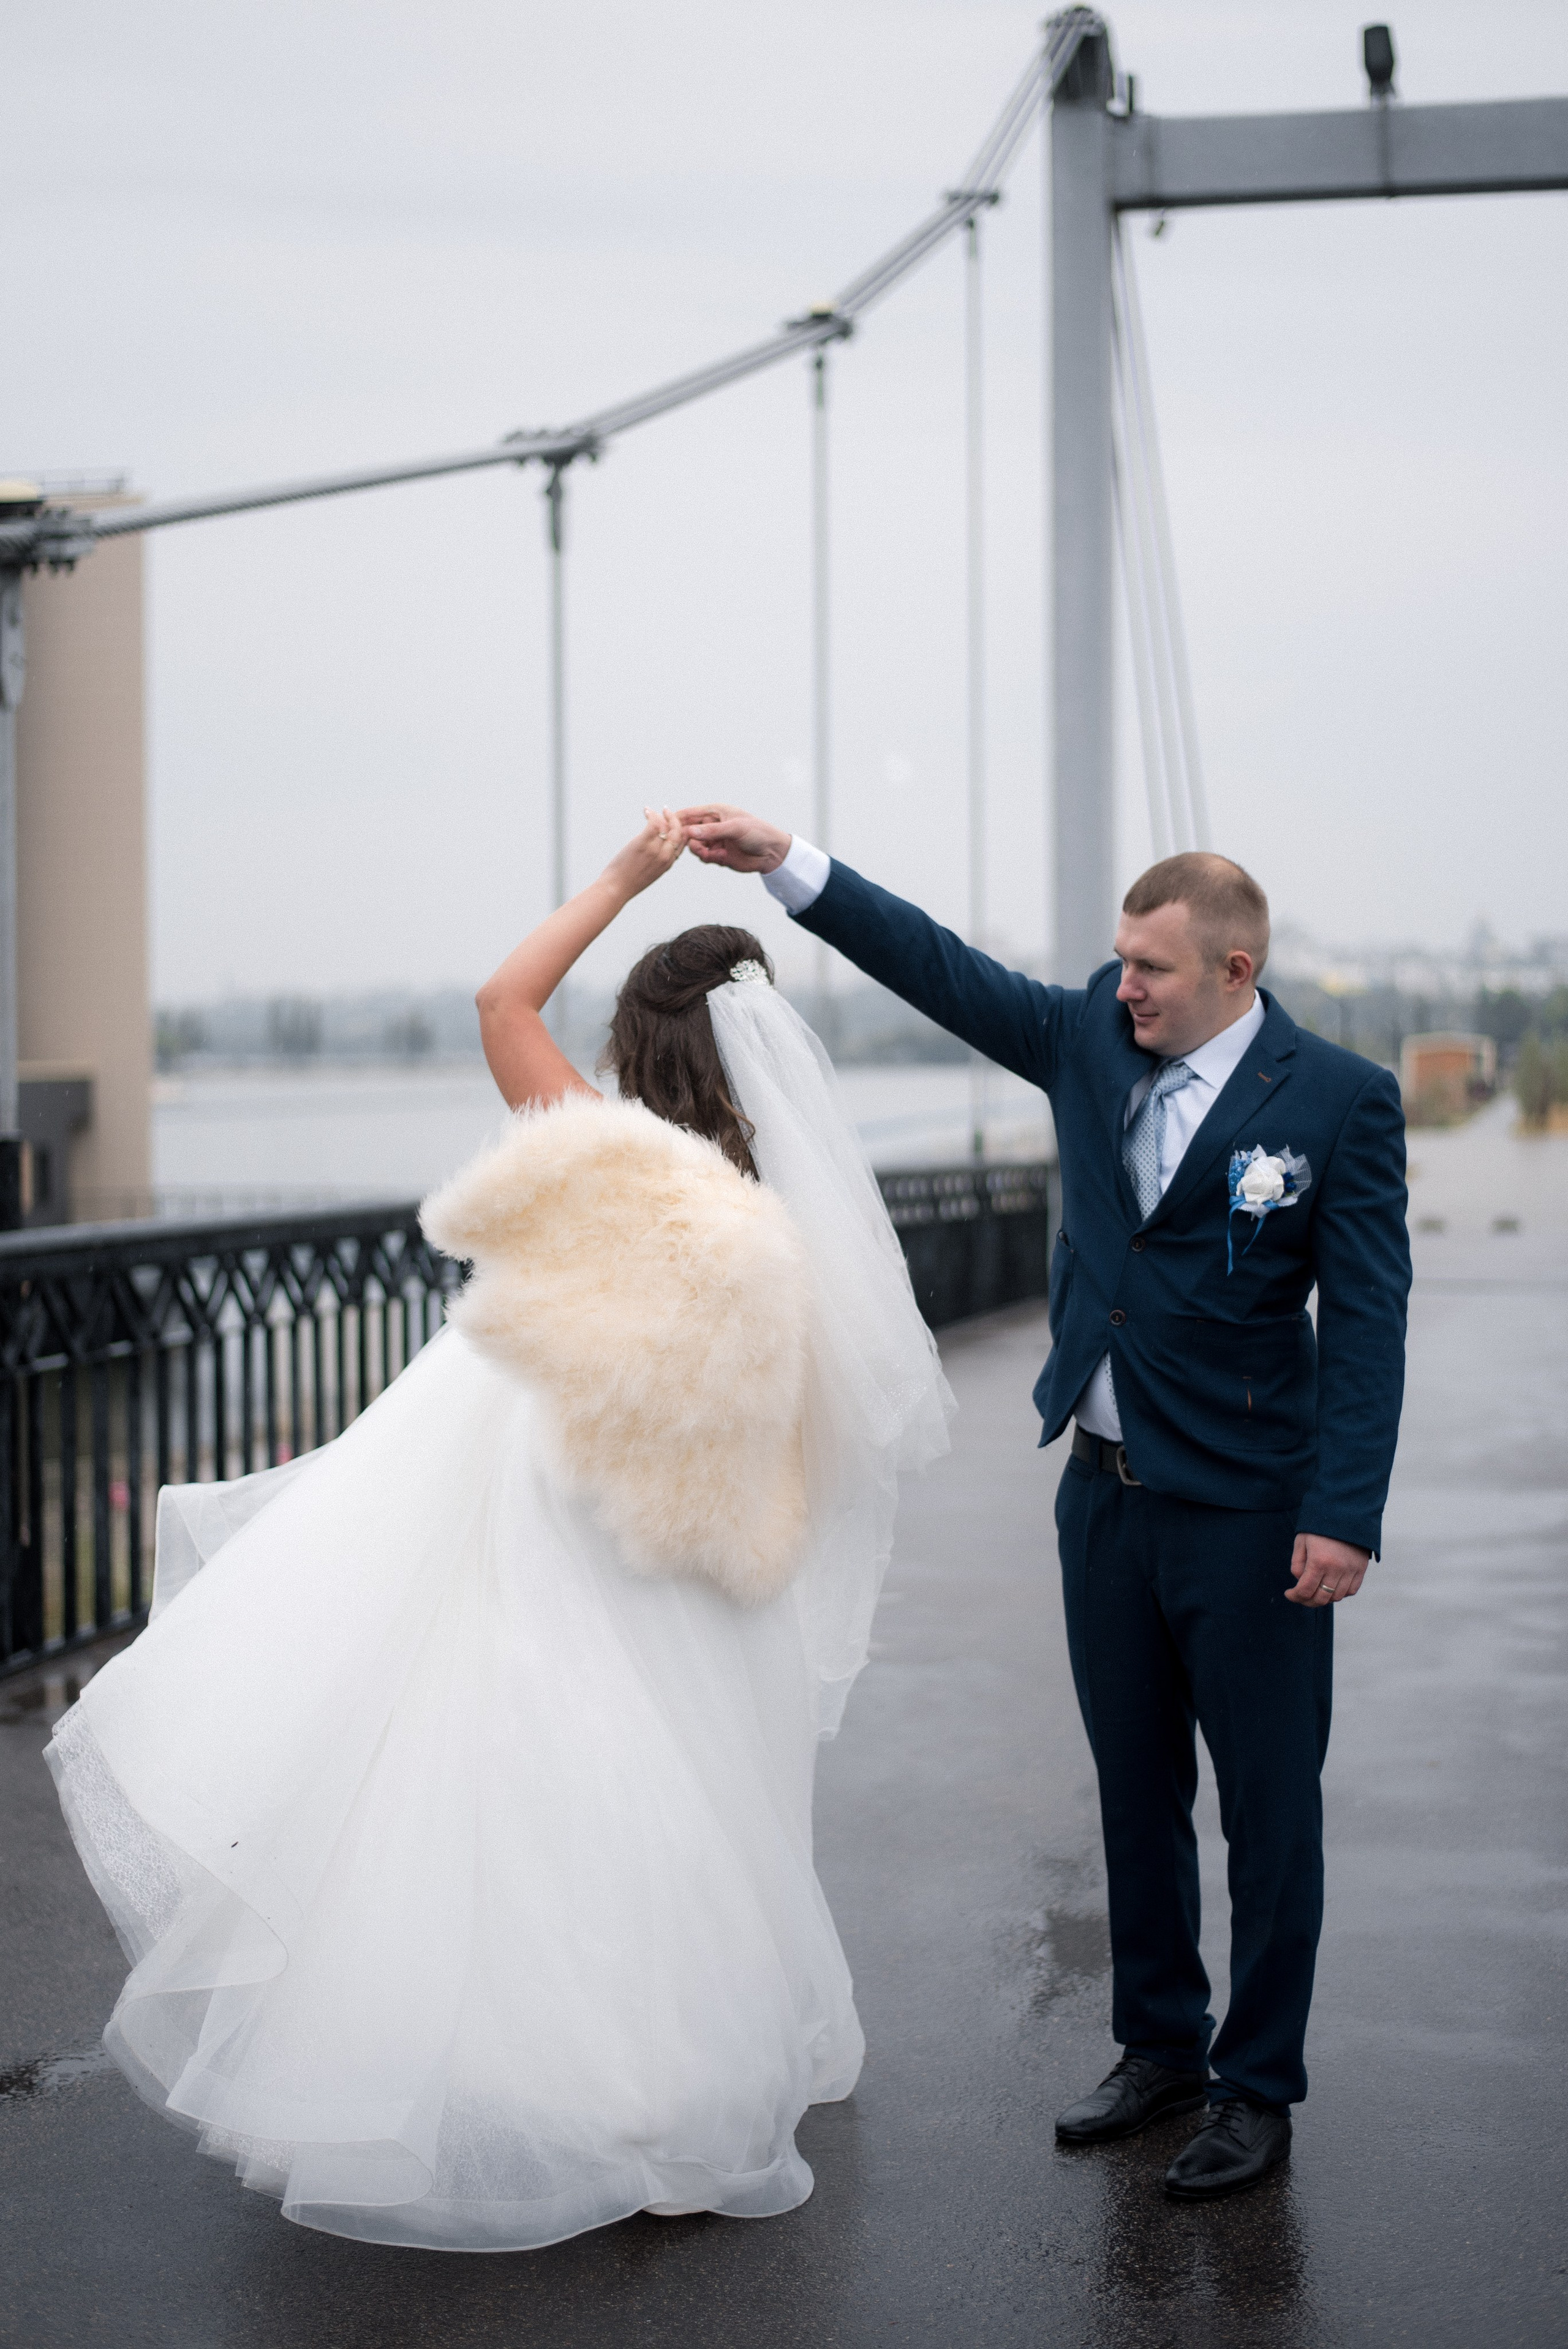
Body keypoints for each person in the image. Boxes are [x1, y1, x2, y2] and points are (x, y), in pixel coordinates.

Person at [46, 809, 951, 2250]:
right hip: (693, 1524)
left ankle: (536, 2076)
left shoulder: (596, 1146)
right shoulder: (780, 1203)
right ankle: (679, 2080)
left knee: (518, 1768)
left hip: (539, 1494)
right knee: (687, 1783)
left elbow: (498, 1000)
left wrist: (622, 877)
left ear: (643, 1047)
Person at [679, 805, 1411, 2202]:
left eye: (1150, 967)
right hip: (1102, 1498)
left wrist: (1343, 1508)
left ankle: (1256, 2087)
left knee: (1265, 1813)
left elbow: (1367, 1319)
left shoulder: (1334, 1101)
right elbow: (942, 969)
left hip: (1254, 1510)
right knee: (1132, 1796)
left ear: (1235, 971)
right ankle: (1159, 2049)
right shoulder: (1086, 1037)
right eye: (1117, 961)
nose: (1121, 985)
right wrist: (791, 868)